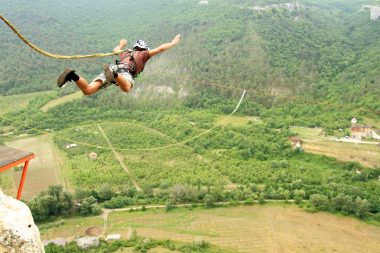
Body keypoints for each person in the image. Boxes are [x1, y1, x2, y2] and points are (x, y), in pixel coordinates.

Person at [57, 34, 181, 95]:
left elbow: (115, 50)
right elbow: (160, 49)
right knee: (126, 88)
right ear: (144, 49)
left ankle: (73, 76)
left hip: (114, 67)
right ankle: (114, 75)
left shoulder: (125, 53)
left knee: (88, 90)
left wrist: (122, 44)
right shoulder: (144, 54)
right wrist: (173, 43)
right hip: (123, 73)